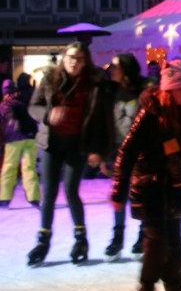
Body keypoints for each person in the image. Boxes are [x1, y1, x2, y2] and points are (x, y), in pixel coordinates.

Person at [111, 59, 181, 291]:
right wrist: (118, 190)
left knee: (175, 242)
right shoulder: (151, 114)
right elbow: (127, 150)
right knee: (157, 242)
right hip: (148, 186)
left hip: (174, 187)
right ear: (169, 90)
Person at [27, 42, 112, 266]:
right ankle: (43, 240)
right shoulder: (49, 78)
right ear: (64, 58)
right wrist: (48, 114)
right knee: (50, 193)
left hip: (77, 144)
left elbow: (101, 119)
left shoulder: (93, 84)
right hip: (51, 144)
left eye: (80, 58)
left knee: (71, 190)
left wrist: (98, 150)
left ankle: (80, 239)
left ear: (86, 62)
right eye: (71, 57)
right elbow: (33, 106)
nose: (74, 62)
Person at [104, 53, 147, 261]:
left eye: (115, 67)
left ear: (126, 69)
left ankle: (142, 235)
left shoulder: (144, 90)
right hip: (119, 151)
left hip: (142, 150)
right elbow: (107, 126)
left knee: (140, 194)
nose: (111, 70)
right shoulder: (110, 91)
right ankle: (118, 237)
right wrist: (103, 154)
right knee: (119, 195)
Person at [0, 79, 40, 208]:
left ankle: (4, 197)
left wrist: (12, 121)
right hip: (31, 136)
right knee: (29, 167)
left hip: (14, 138)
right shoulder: (22, 102)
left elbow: (8, 112)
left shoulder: (5, 103)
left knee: (9, 167)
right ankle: (34, 198)